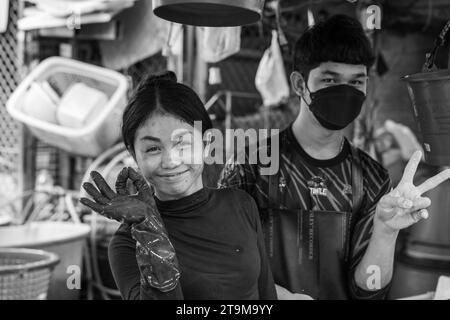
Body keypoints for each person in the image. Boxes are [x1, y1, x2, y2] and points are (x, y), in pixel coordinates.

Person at [218, 14, 450, 300]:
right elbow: (223, 264)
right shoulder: (251, 164)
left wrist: (385, 232)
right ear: (300, 85)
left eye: (356, 81)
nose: (345, 91)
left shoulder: (372, 177)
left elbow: (369, 291)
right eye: (330, 79)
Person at [80, 71, 277, 300]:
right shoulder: (126, 244)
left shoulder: (241, 205)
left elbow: (266, 296)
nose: (171, 161)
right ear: (135, 156)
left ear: (206, 143)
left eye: (182, 143)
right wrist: (152, 236)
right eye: (153, 148)